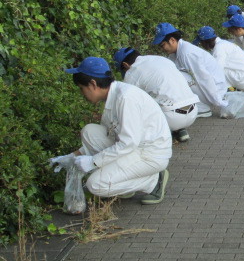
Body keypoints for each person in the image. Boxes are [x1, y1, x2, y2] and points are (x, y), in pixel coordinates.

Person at [50, 57, 171, 204]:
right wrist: (71, 157)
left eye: (82, 89)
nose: (82, 94)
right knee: (89, 131)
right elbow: (112, 135)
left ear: (93, 84)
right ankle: (123, 181)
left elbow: (128, 143)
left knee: (95, 185)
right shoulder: (113, 95)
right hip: (135, 148)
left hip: (150, 155)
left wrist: (93, 162)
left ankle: (152, 181)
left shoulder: (126, 98)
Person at [113, 47, 198, 143]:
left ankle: (157, 137)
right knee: (165, 95)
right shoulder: (161, 59)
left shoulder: (132, 72)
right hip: (193, 111)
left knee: (138, 104)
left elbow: (127, 101)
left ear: (125, 65)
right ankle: (180, 130)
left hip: (171, 118)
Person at [153, 22, 228, 118]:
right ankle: (200, 105)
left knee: (178, 77)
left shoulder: (187, 53)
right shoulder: (177, 52)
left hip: (214, 89)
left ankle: (202, 107)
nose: (162, 48)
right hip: (210, 89)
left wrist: (218, 101)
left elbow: (204, 79)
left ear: (172, 40)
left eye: (162, 45)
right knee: (172, 74)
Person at [193, 26, 244, 91]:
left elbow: (216, 69)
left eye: (201, 43)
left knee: (214, 71)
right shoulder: (222, 44)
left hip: (242, 78)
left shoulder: (219, 48)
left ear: (205, 42)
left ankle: (227, 89)